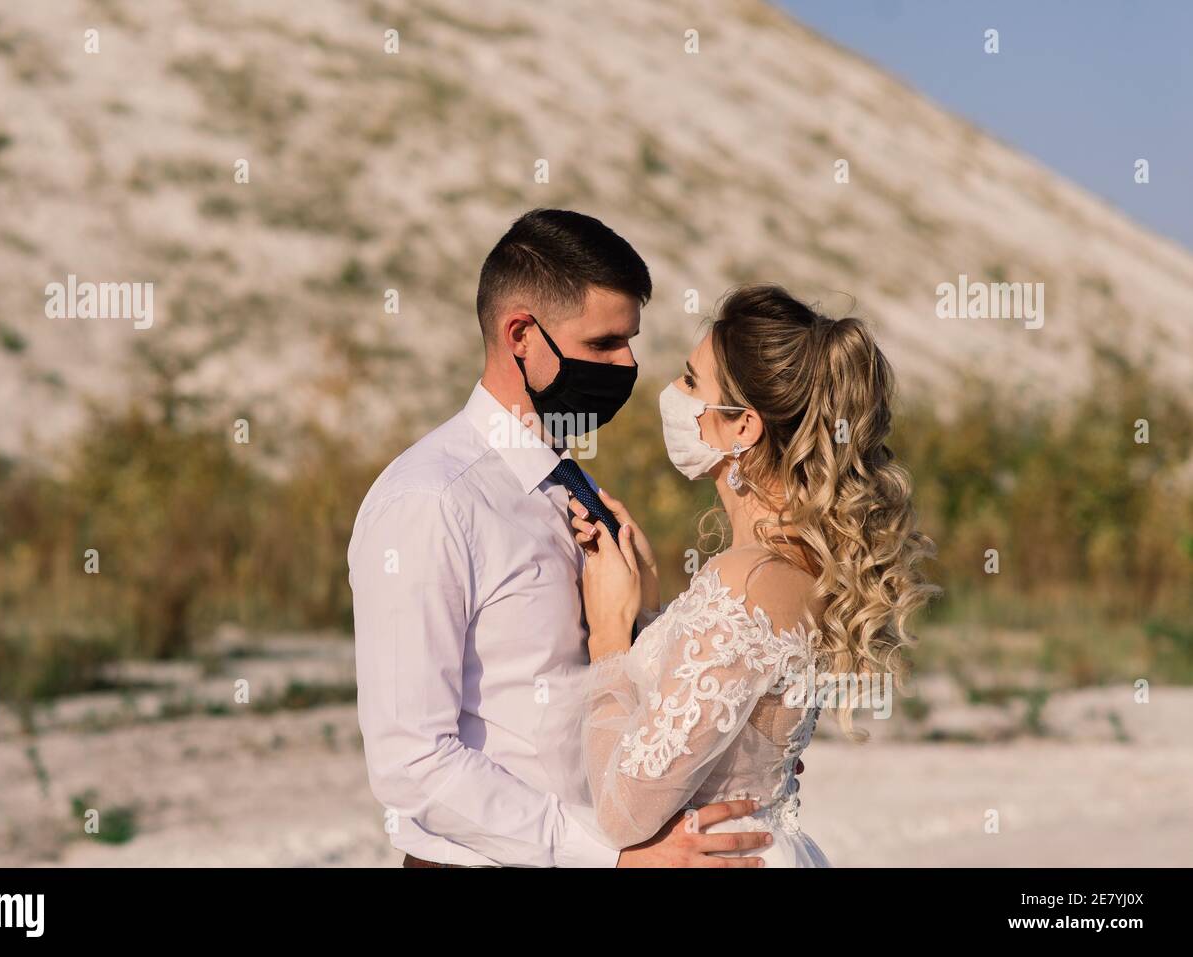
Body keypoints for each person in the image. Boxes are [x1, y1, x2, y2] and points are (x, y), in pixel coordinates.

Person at [348, 209, 775, 867]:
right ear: (521, 334)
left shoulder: (575, 485)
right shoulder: (430, 501)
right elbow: (413, 760)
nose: (627, 365)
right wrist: (607, 855)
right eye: (603, 345)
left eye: (629, 342)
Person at [568, 283, 939, 865]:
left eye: (691, 382)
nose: (671, 393)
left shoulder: (744, 581)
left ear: (743, 426)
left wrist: (610, 636)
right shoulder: (800, 564)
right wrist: (650, 611)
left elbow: (622, 810)